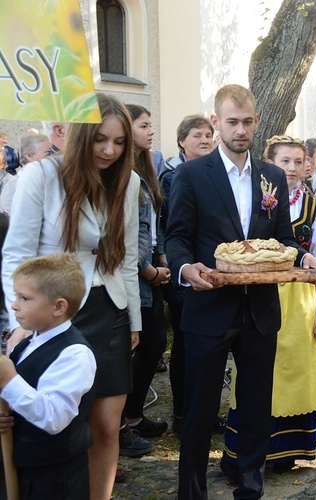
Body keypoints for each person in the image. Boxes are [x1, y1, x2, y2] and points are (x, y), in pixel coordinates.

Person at [165, 84, 316, 499]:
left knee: (256, 410)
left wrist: (303, 259)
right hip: (209, 307)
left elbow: (284, 238)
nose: (240, 129)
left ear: (256, 121)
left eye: (247, 121)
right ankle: (191, 493)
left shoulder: (271, 176)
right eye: (231, 121)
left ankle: (251, 490)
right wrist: (183, 267)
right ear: (215, 122)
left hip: (260, 312)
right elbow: (176, 236)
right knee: (199, 413)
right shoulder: (191, 174)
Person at [2, 93, 142, 499]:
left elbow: (128, 256)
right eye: (100, 139)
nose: (110, 151)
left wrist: (133, 318)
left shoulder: (128, 180)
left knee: (105, 426)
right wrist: (19, 323)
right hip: (54, 314)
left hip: (111, 310)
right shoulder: (41, 176)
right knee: (53, 426)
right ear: (80, 135)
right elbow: (16, 254)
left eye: (119, 142)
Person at [221, 135, 316, 477]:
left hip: (298, 300)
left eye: (298, 162)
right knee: (257, 372)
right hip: (259, 296)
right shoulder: (253, 198)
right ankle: (244, 455)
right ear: (269, 162)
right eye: (284, 161)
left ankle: (286, 452)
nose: (292, 168)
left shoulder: (313, 207)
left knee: (294, 372)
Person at [0, 253, 96, 499]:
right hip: (22, 465)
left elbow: (54, 418)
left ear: (58, 307)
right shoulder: (26, 344)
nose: (14, 305)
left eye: (25, 298)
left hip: (55, 479)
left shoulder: (74, 354)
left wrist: (9, 382)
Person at [157, 114, 223, 435]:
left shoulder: (218, 172)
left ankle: (206, 412)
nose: (205, 139)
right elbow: (174, 229)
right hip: (185, 272)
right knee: (184, 345)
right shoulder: (173, 175)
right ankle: (183, 415)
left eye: (209, 134)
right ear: (182, 140)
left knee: (211, 347)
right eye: (197, 135)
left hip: (215, 273)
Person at [121, 105, 170, 447]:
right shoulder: (123, 172)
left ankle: (133, 415)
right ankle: (124, 422)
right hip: (136, 270)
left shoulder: (147, 166)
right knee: (141, 344)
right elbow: (128, 234)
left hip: (151, 263)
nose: (151, 131)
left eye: (152, 125)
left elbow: (154, 221)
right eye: (144, 125)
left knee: (154, 342)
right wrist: (149, 269)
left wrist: (162, 257)